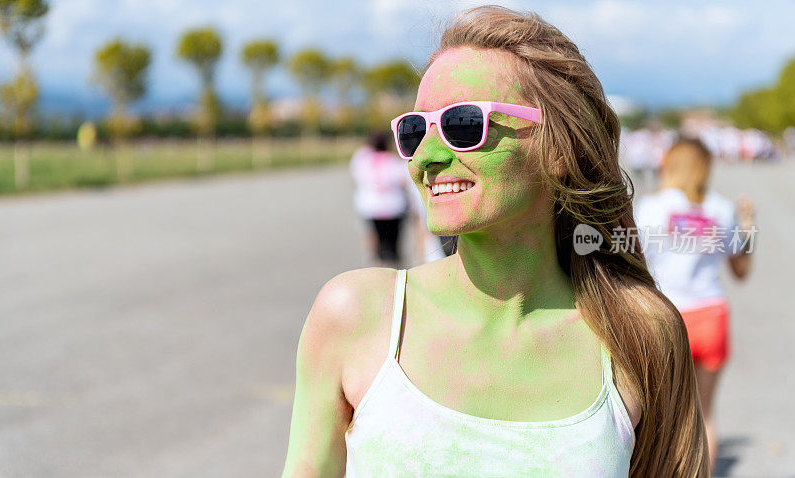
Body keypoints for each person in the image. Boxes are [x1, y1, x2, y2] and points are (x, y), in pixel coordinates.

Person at [284, 7, 708, 477]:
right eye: (414, 129)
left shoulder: (641, 332)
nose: (426, 156)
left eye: (464, 125)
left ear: (559, 149)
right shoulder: (355, 315)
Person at [634, 137, 756, 472]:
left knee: (660, 415)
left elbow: (632, 263)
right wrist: (748, 227)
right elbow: (741, 271)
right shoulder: (720, 208)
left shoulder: (652, 207)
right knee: (705, 414)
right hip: (712, 316)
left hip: (667, 317)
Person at [349, 131, 410, 267]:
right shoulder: (394, 161)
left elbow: (355, 179)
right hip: (394, 207)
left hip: (370, 207)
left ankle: (374, 264)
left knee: (373, 239)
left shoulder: (363, 159)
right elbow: (403, 181)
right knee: (393, 243)